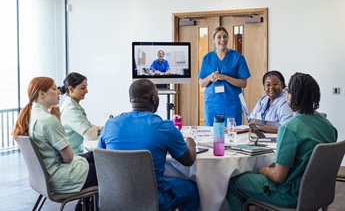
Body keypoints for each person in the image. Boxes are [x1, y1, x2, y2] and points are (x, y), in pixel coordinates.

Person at [226, 72, 338, 210]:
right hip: (318, 190)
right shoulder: (329, 126)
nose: (286, 95)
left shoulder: (289, 129)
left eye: (287, 92)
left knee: (233, 183)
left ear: (293, 96)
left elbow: (278, 177)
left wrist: (265, 170)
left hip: (290, 194)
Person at [98, 79, 199, 210]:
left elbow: (101, 158)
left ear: (130, 100)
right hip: (153, 197)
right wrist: (190, 142)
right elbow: (188, 160)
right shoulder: (165, 127)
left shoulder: (110, 124)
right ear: (155, 99)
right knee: (192, 188)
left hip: (114, 196)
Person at [12, 77, 98, 209]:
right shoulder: (47, 120)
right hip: (62, 179)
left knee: (96, 157)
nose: (59, 91)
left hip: (47, 177)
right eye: (54, 89)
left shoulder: (32, 116)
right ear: (42, 94)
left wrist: (57, 119)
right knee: (110, 171)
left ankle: (82, 207)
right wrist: (56, 121)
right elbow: (68, 157)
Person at [198, 26, 251, 126]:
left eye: (225, 37)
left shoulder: (237, 57)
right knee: (211, 137)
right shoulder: (207, 58)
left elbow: (243, 83)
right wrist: (210, 77)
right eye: (219, 37)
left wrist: (225, 77)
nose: (222, 40)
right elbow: (201, 83)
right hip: (212, 106)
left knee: (233, 136)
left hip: (231, 105)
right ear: (213, 40)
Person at [59, 72, 102, 155]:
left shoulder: (73, 106)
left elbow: (87, 125)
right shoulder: (71, 111)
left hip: (75, 152)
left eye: (86, 87)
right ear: (71, 89)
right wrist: (97, 129)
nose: (86, 91)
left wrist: (99, 128)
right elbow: (89, 135)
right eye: (82, 88)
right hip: (72, 157)